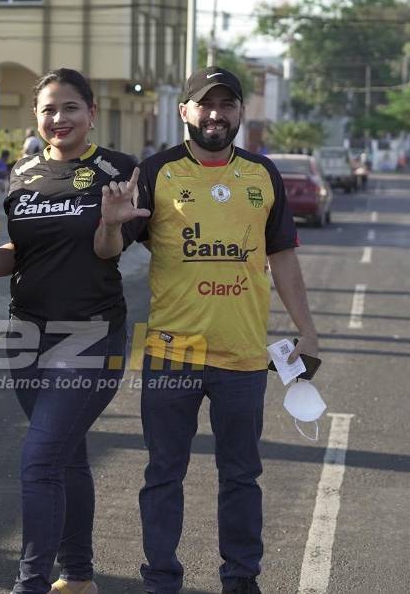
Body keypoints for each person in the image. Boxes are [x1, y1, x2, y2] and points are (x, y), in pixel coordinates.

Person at [94, 66, 321, 594]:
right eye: (205, 104)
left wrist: (307, 331)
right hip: (172, 353)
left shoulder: (262, 174)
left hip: (242, 355)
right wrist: (109, 223)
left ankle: (241, 579)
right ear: (185, 111)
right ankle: (161, 580)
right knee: (163, 474)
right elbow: (107, 253)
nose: (216, 114)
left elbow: (283, 257)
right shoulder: (156, 172)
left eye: (227, 104)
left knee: (241, 476)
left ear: (240, 112)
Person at [0, 68, 136, 594]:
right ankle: (78, 576)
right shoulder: (23, 172)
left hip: (91, 335)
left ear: (91, 113)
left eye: (70, 107)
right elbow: (22, 251)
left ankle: (29, 583)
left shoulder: (118, 170)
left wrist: (112, 222)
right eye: (48, 109)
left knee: (40, 460)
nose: (59, 118)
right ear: (36, 116)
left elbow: (106, 251)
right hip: (26, 335)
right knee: (65, 455)